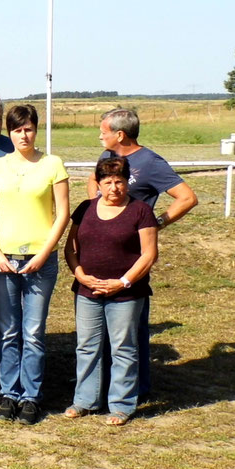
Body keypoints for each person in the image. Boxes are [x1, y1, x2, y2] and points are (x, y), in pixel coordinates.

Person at [86, 108, 197, 399]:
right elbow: (93, 180)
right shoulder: (107, 158)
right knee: (103, 332)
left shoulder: (149, 162)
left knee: (131, 331)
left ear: (119, 134)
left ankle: (137, 390)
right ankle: (102, 389)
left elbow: (187, 198)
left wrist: (158, 222)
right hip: (101, 255)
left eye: (104, 130)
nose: (100, 135)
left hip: (132, 259)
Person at [0, 104, 69, 425]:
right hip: (4, 261)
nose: (24, 135)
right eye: (17, 130)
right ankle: (9, 392)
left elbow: (61, 214)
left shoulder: (53, 165)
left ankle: (31, 396)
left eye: (29, 129)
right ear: (9, 132)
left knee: (33, 332)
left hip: (40, 262)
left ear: (36, 130)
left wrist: (44, 253)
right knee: (7, 331)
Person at [65, 156, 158, 425]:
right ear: (98, 183)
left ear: (127, 182)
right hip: (87, 291)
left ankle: (121, 404)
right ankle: (85, 400)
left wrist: (124, 282)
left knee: (123, 349)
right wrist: (80, 274)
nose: (114, 188)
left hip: (126, 294)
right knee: (87, 347)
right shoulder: (85, 209)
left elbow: (149, 254)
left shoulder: (140, 211)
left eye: (119, 182)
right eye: (107, 182)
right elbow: (71, 248)